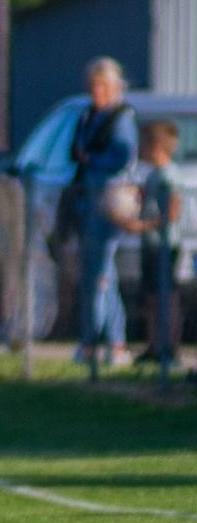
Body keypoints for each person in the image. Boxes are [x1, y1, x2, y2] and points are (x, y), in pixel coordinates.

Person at [66, 57, 139, 368]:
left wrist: (92, 158)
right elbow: (76, 150)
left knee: (100, 273)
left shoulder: (121, 117)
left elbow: (122, 155)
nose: (97, 91)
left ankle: (93, 342)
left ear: (115, 87)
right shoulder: (89, 116)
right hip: (89, 200)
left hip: (108, 201)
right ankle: (113, 342)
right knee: (101, 273)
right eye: (94, 85)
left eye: (103, 85)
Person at [119, 120, 184, 371]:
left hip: (164, 246)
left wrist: (141, 227)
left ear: (155, 146)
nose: (140, 148)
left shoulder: (169, 175)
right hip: (151, 246)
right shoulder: (153, 175)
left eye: (144, 143)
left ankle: (169, 348)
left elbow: (173, 212)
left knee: (166, 297)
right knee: (151, 297)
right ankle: (155, 346)